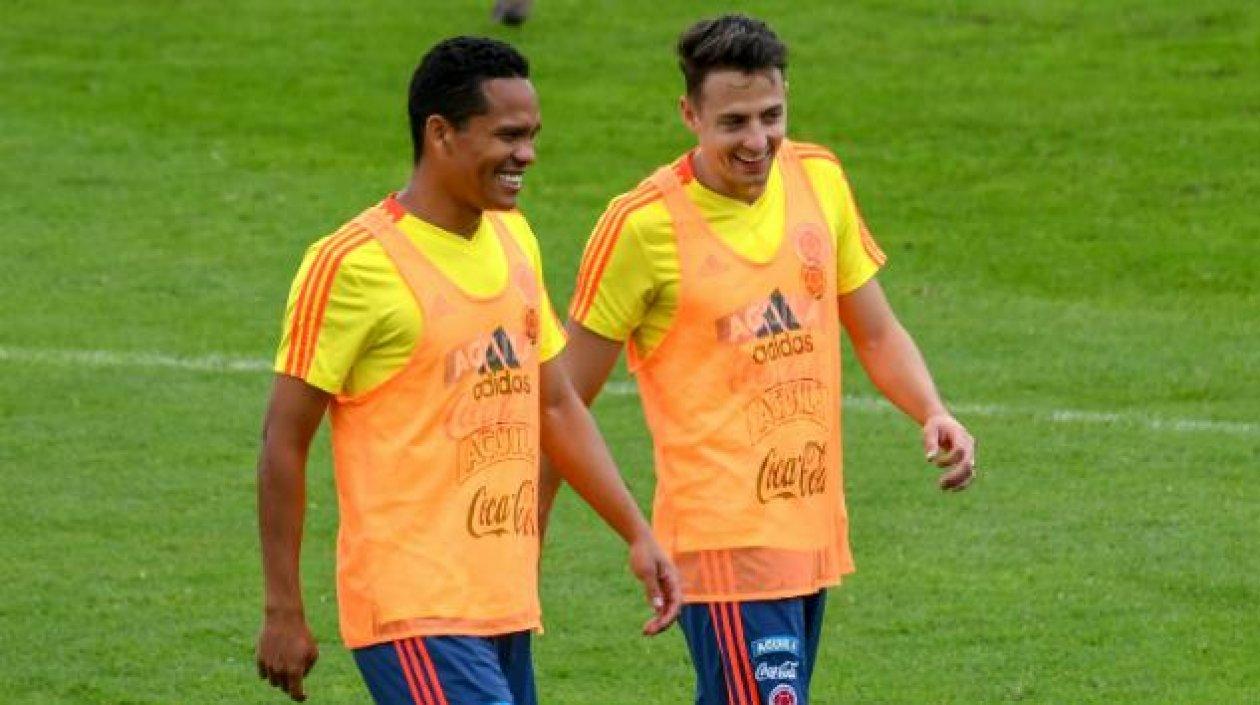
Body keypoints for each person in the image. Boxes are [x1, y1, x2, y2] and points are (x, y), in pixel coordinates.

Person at [542, 14, 977, 705]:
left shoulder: (818, 179)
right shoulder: (642, 227)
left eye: (771, 116)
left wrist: (931, 408)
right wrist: (526, 537)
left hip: (809, 528)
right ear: (690, 114)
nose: (757, 141)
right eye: (734, 122)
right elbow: (559, 400)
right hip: (721, 539)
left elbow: (874, 330)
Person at [254, 36, 680, 705]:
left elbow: (556, 404)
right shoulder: (352, 264)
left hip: (503, 600)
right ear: (441, 133)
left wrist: (635, 530)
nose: (527, 155)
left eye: (533, 135)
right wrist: (284, 608)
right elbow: (283, 438)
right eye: (508, 135)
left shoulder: (514, 237)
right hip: (414, 606)